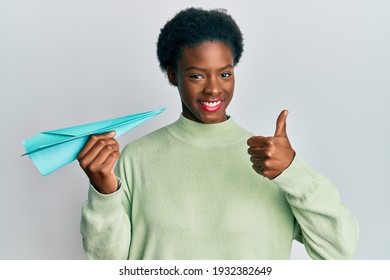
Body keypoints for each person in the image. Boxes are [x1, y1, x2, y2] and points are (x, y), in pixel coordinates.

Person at [78, 7, 359, 259]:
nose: (213, 89)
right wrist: (104, 191)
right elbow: (107, 265)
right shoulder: (137, 158)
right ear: (172, 75)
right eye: (197, 75)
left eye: (224, 74)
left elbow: (340, 250)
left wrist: (293, 170)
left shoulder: (272, 161)